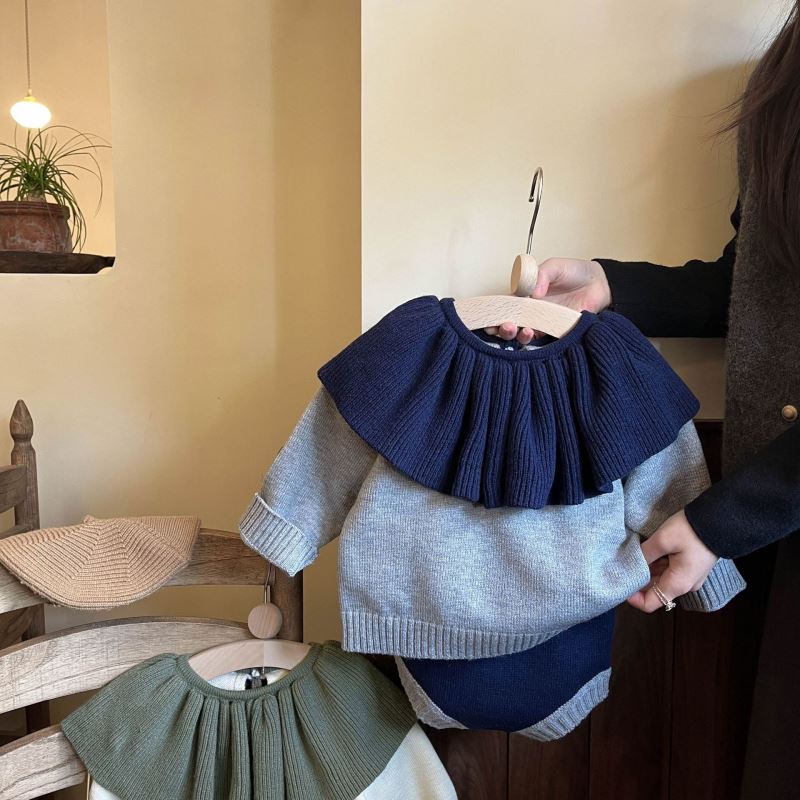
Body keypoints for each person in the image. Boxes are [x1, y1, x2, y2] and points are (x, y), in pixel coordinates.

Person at [491, 4, 800, 798]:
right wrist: (614, 286)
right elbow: (755, 286)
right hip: (778, 523)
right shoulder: (782, 82)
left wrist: (724, 521)